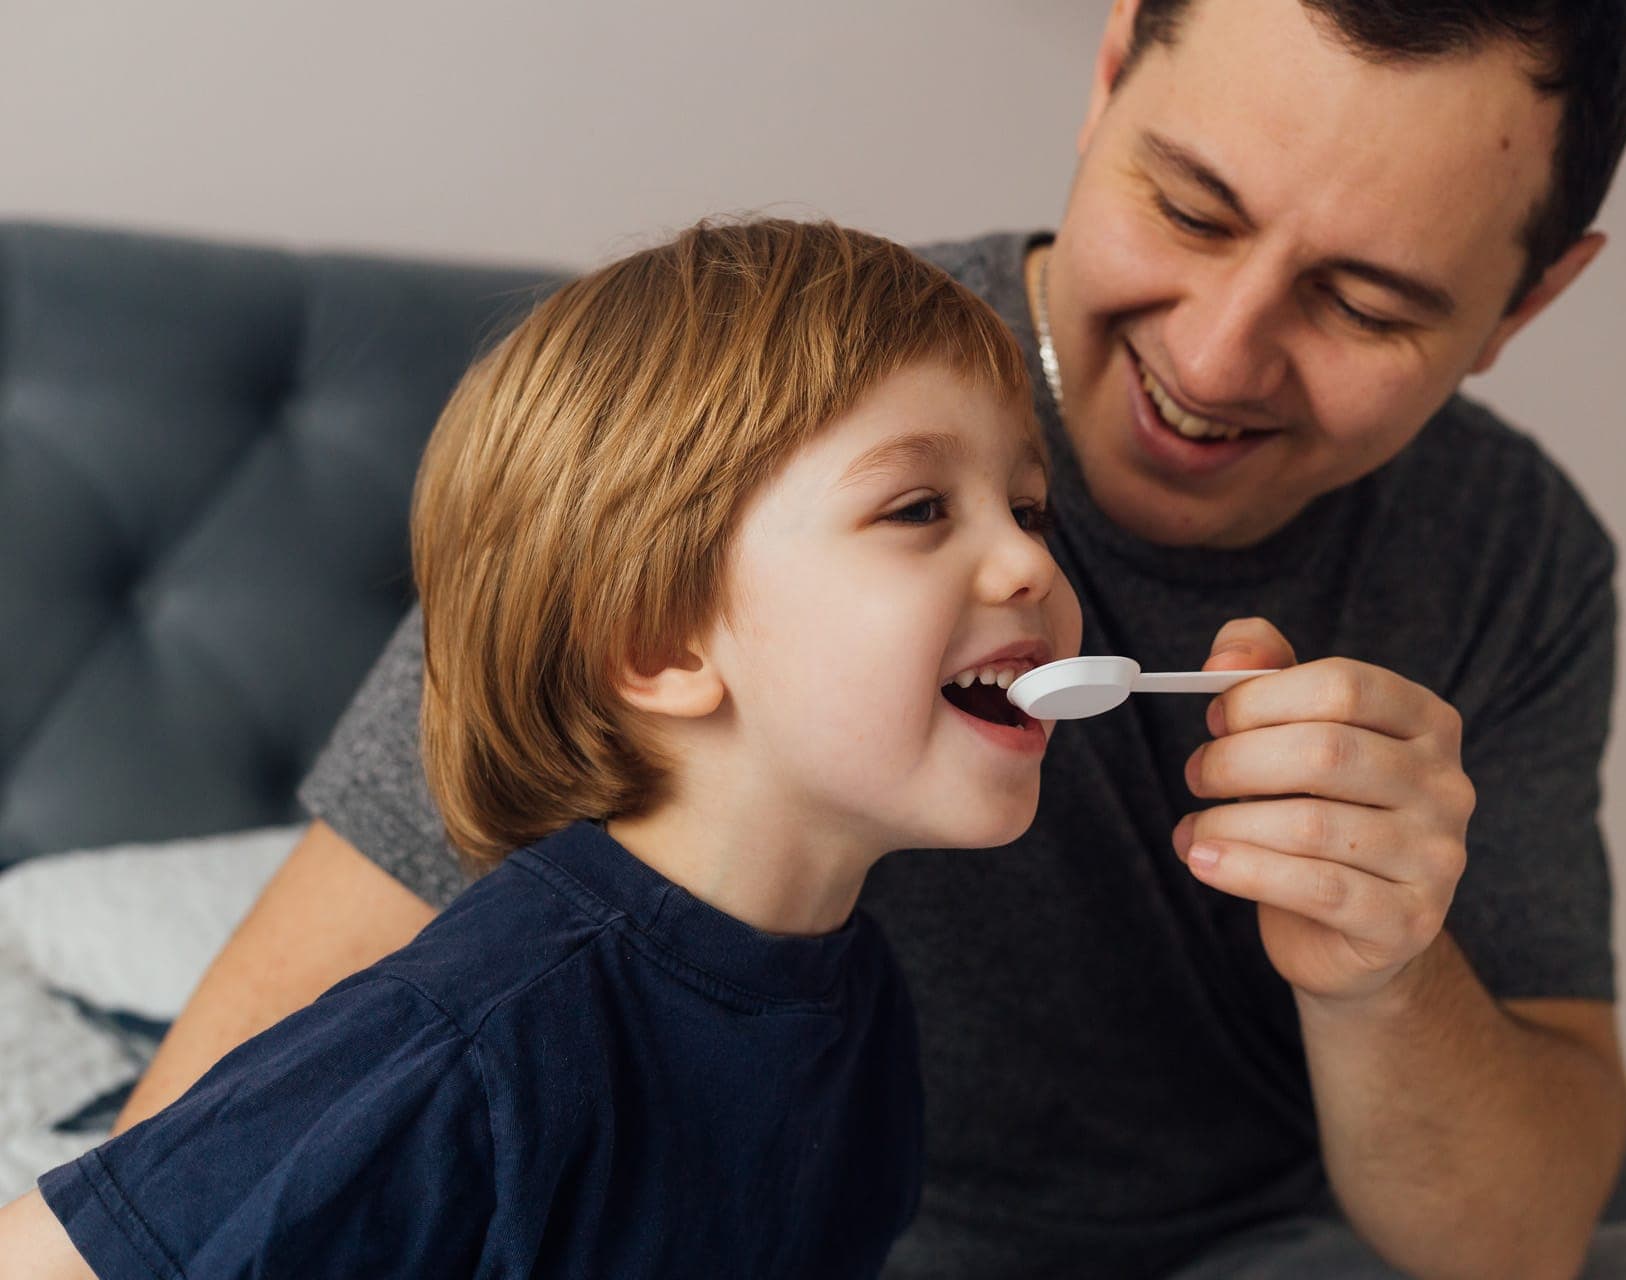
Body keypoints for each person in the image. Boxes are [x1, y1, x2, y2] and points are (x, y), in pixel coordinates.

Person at [94, 1, 1626, 1277]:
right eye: (1188, 209)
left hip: (1326, 1203)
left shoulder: (1509, 550)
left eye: (1365, 300)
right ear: (1114, 65)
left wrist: (1378, 968)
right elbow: (226, 1140)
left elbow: (1513, 1234)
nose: (1211, 360)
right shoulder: (753, 442)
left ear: (1532, 300)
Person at [0, 219, 1082, 1277]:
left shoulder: (860, 1007)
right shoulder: (474, 1036)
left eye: (1029, 510)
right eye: (920, 507)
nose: (1027, 563)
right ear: (659, 642)